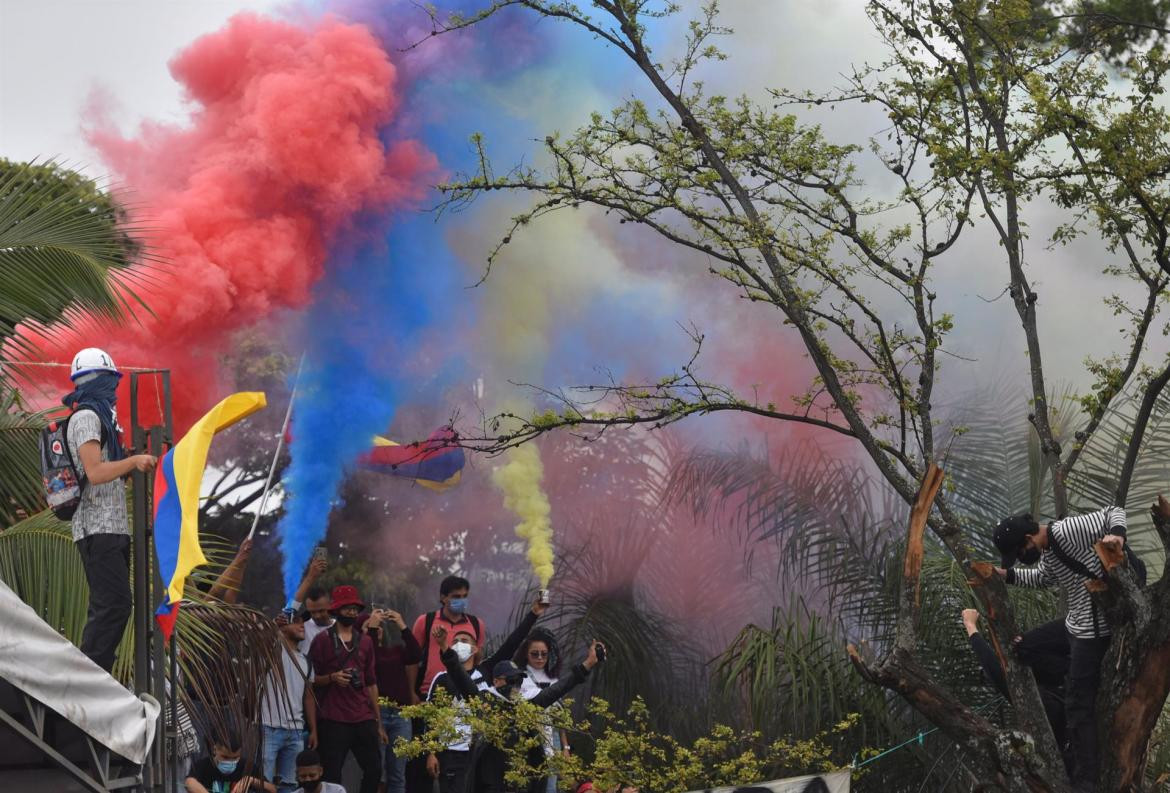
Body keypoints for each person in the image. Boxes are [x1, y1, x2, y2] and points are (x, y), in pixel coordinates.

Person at [993, 506, 1131, 789]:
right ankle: (1080, 675)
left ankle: (1087, 782)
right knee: (1026, 648)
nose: (1021, 558)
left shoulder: (1065, 531)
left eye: (1019, 552)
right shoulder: (1049, 552)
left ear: (1028, 537)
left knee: (1078, 706)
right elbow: (1044, 578)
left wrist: (1117, 536)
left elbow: (1113, 512)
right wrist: (1005, 575)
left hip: (1095, 628)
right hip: (1077, 621)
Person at [62, 347, 157, 672]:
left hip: (112, 529)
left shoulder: (102, 420)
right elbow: (95, 472)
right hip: (96, 529)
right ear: (99, 381)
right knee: (112, 606)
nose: (114, 392)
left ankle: (95, 675)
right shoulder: (87, 417)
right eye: (110, 382)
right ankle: (90, 679)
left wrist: (134, 460)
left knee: (114, 606)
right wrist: (132, 461)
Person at [435, 626, 605, 793]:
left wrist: (588, 664)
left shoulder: (525, 708)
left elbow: (558, 689)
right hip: (488, 782)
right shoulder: (483, 702)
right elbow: (460, 677)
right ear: (496, 681)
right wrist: (444, 647)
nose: (515, 685)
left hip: (519, 782)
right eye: (510, 680)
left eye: (518, 680)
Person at [423, 596, 547, 793]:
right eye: (454, 641)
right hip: (451, 752)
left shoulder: (488, 672)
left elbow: (512, 643)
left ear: (474, 648)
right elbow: (431, 718)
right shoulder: (442, 678)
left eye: (464, 641)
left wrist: (533, 614)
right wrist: (431, 752)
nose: (458, 644)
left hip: (481, 752)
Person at [307, 585, 386, 793]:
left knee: (375, 769)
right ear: (336, 610)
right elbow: (311, 681)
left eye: (354, 608)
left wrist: (378, 723)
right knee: (332, 775)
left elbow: (371, 683)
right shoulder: (322, 640)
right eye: (346, 608)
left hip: (363, 716)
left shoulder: (366, 641)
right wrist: (333, 678)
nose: (351, 612)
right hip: (333, 719)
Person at [960, 608, 1068, 746]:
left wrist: (970, 626)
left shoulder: (1046, 694)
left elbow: (996, 671)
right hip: (1065, 738)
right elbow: (996, 670)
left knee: (1023, 648)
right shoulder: (1035, 695)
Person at [360, 608, 422, 793]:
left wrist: (402, 625)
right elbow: (369, 656)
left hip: (400, 713)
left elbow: (415, 654)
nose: (376, 628)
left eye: (378, 626)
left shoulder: (394, 651)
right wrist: (370, 629)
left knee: (397, 773)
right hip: (377, 713)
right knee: (376, 773)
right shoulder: (361, 655)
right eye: (370, 625)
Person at [261, 611, 315, 792]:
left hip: (296, 731)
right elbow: (263, 638)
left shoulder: (306, 660)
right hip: (268, 727)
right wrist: (274, 627)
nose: (302, 625)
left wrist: (313, 729)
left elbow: (308, 696)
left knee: (290, 784)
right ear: (283, 627)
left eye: (303, 622)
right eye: (296, 622)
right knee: (263, 782)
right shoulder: (272, 651)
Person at [411, 576, 487, 699]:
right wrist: (411, 692)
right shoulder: (425, 621)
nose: (462, 600)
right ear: (443, 598)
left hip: (464, 692)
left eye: (465, 596)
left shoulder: (476, 624)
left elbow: (477, 658)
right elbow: (412, 660)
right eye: (456, 597)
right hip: (430, 692)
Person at [514, 629, 570, 793]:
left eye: (544, 654)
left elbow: (560, 720)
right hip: (526, 737)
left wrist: (565, 748)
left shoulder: (554, 679)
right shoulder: (518, 678)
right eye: (535, 654)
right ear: (526, 654)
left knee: (550, 786)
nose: (539, 658)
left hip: (552, 738)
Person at [185, 735, 275, 793]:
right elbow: (189, 782)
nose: (230, 762)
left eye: (235, 758)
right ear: (215, 749)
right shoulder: (204, 765)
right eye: (225, 757)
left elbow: (273, 789)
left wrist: (250, 780)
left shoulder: (247, 766)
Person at [299, 582, 334, 655]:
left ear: (330, 605)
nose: (317, 616)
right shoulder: (301, 629)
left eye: (321, 611)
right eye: (312, 612)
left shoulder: (340, 629)